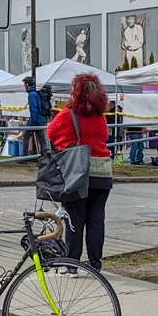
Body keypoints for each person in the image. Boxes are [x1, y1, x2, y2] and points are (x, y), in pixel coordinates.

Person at [46, 73, 113, 273]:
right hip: (102, 172)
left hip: (76, 173)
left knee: (74, 220)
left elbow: (51, 132)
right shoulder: (100, 117)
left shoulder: (68, 115)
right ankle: (95, 264)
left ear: (75, 93)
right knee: (96, 220)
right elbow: (105, 137)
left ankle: (72, 264)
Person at [25, 77, 49, 157]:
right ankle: (45, 157)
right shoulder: (37, 93)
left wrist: (32, 123)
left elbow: (34, 109)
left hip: (36, 120)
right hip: (42, 119)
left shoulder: (32, 94)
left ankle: (24, 158)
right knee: (42, 140)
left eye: (24, 84)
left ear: (27, 84)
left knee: (26, 137)